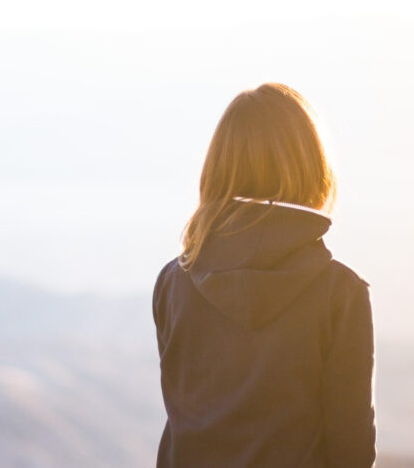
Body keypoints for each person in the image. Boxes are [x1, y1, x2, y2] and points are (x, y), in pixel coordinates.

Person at [152, 82, 376, 467]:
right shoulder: (339, 294)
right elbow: (351, 454)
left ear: (219, 167)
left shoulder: (174, 283)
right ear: (311, 166)